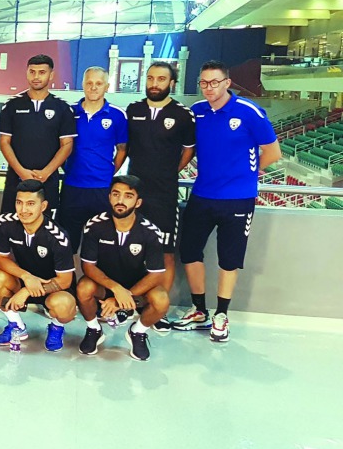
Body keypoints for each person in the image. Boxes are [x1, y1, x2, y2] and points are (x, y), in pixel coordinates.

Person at [175, 61, 281, 342]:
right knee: (189, 252)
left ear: (227, 83)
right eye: (204, 83)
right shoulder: (197, 111)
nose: (209, 88)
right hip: (202, 195)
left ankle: (221, 314)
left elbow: (273, 152)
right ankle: (199, 311)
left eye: (214, 82)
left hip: (238, 199)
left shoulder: (249, 112)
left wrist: (251, 173)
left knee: (228, 259)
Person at [75, 176, 169, 361]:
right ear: (109, 197)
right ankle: (94, 329)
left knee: (161, 299)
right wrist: (116, 290)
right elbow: (88, 266)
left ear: (138, 202)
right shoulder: (94, 225)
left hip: (136, 288)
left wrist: (124, 298)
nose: (120, 201)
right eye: (116, 194)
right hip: (105, 285)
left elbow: (156, 275)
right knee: (83, 288)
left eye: (128, 196)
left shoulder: (150, 232)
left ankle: (138, 332)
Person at [124, 61, 195, 298]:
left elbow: (188, 151)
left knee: (165, 252)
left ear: (172, 83)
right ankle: (128, 304)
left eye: (161, 79)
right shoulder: (133, 110)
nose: (154, 84)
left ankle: (159, 308)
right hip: (134, 193)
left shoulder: (183, 115)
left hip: (164, 195)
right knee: (130, 249)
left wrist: (167, 171)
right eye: (151, 78)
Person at [0, 179, 78, 351]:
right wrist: (26, 277)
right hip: (23, 279)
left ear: (43, 206)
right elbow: (1, 258)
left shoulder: (58, 236)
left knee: (64, 306)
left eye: (30, 204)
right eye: (19, 203)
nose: (23, 210)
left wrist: (27, 290)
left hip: (53, 287)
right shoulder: (6, 222)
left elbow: (65, 280)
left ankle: (57, 327)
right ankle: (16, 326)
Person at [57, 66, 127, 252]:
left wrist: (109, 172)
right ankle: (68, 281)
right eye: (89, 83)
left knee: (101, 246)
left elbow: (122, 149)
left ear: (107, 86)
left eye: (99, 83)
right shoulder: (70, 113)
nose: (94, 87)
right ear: (83, 85)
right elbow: (61, 147)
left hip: (102, 190)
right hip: (72, 188)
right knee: (66, 246)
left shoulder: (117, 115)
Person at [0, 54, 75, 215]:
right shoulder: (12, 105)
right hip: (16, 179)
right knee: (10, 227)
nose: (36, 77)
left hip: (48, 181)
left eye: (42, 72)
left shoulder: (62, 108)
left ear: (51, 75)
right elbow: (4, 142)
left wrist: (46, 172)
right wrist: (22, 172)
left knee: (47, 230)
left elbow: (67, 145)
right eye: (32, 72)